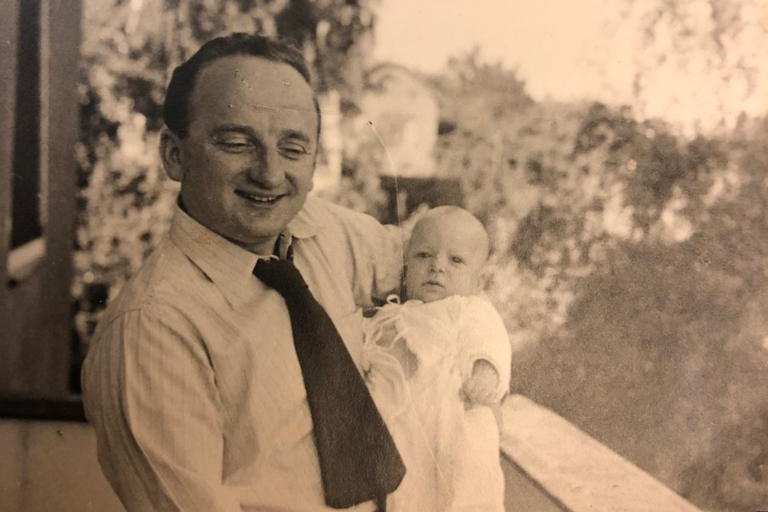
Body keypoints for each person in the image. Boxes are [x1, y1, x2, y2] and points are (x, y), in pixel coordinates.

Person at [81, 34, 406, 512]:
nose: (270, 174)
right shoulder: (152, 330)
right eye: (237, 143)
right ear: (174, 155)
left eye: (293, 149)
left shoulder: (321, 232)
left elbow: (439, 263)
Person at [361, 206, 511, 511]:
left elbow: (490, 339)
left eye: (455, 260)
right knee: (404, 495)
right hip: (399, 426)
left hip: (452, 418)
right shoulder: (391, 314)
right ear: (406, 265)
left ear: (476, 281)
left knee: (460, 492)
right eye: (424, 255)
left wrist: (486, 373)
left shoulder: (468, 308)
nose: (436, 267)